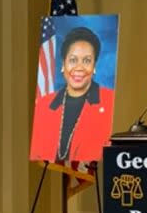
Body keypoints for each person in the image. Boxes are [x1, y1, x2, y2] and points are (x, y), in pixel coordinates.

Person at [30, 26, 115, 163]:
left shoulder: (110, 102)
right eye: (73, 60)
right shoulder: (43, 105)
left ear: (94, 66)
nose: (79, 67)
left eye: (87, 60)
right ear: (63, 64)